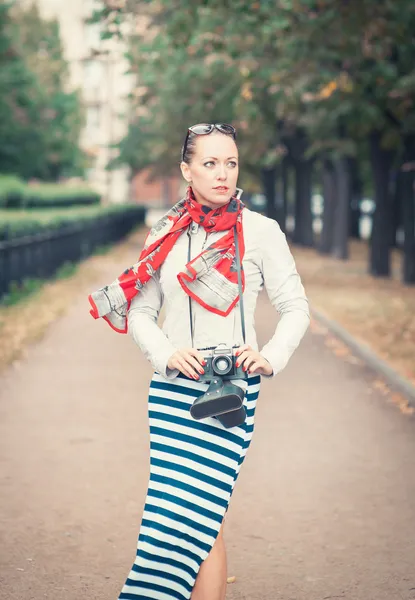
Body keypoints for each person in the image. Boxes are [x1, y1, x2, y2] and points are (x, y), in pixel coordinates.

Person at [88, 123, 310, 600]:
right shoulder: (166, 232)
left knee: (205, 518)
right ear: (187, 170)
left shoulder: (261, 231)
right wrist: (166, 354)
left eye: (230, 163)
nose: (222, 174)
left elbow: (296, 307)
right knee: (182, 519)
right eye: (209, 163)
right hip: (173, 393)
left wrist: (269, 357)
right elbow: (141, 312)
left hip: (231, 394)